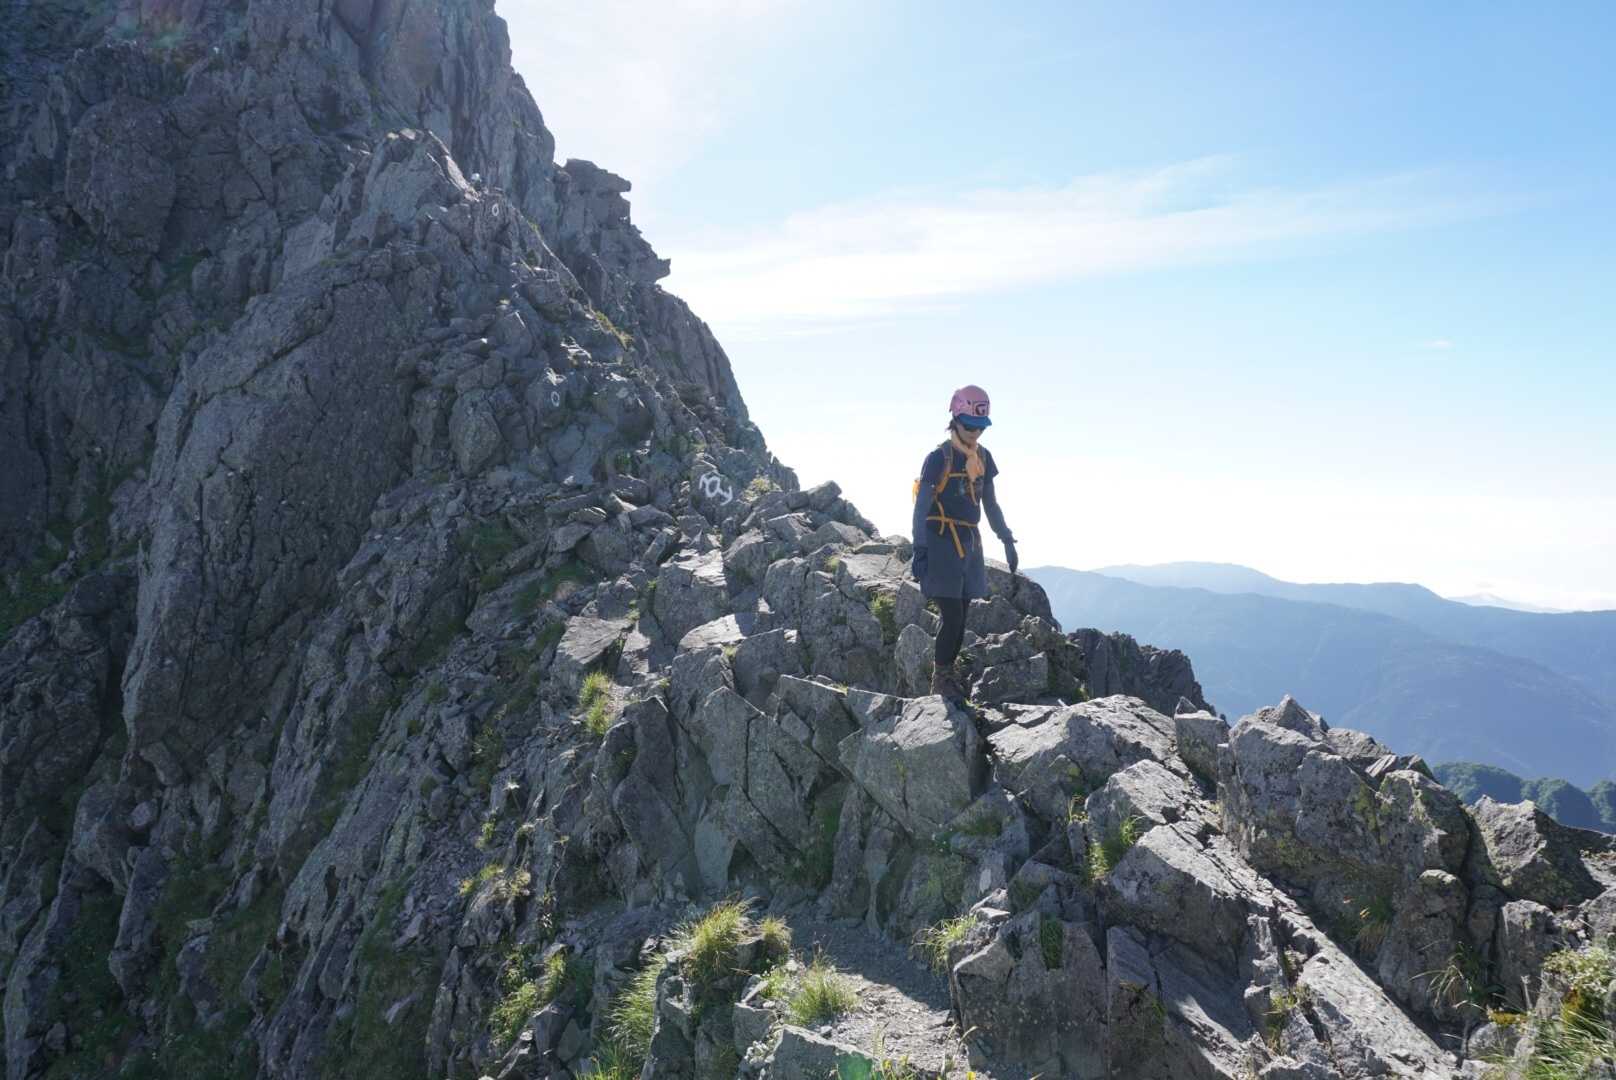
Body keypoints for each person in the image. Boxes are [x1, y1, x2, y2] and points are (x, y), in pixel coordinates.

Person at [910, 385, 1018, 701]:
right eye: (970, 425)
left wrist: (1006, 538)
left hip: (970, 544)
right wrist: (920, 549)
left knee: (963, 614)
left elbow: (991, 504)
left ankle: (947, 677)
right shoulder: (938, 458)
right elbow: (921, 508)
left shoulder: (983, 458)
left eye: (981, 426)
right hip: (940, 542)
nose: (975, 432)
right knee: (952, 615)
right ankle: (940, 680)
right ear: (955, 419)